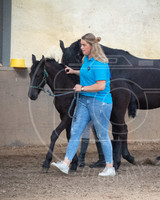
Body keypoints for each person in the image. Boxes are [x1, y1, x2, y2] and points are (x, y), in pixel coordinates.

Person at [51, 33, 114, 176]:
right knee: (75, 131)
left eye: (84, 45)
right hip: (84, 101)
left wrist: (82, 88)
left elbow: (101, 86)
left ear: (92, 46)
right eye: (81, 44)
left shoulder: (100, 63)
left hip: (100, 102)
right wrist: (74, 71)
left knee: (102, 134)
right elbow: (87, 72)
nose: (81, 47)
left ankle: (110, 167)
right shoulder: (87, 59)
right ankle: (66, 164)